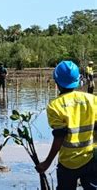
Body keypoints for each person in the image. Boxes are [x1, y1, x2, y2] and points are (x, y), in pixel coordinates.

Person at [36, 61, 96, 189]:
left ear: (57, 82)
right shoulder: (92, 100)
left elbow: (59, 137)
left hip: (68, 163)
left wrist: (47, 162)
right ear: (77, 80)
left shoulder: (54, 106)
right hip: (90, 158)